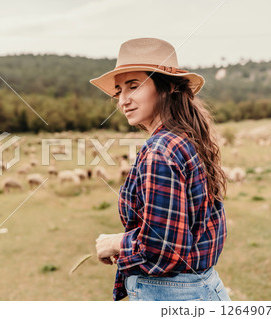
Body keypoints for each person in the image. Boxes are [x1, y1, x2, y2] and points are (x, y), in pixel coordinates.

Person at [90, 38, 231, 301]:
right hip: (201, 287)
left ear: (165, 89)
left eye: (134, 86)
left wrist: (116, 243)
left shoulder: (161, 150)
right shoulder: (185, 139)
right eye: (119, 90)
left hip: (174, 296)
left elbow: (164, 250)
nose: (123, 100)